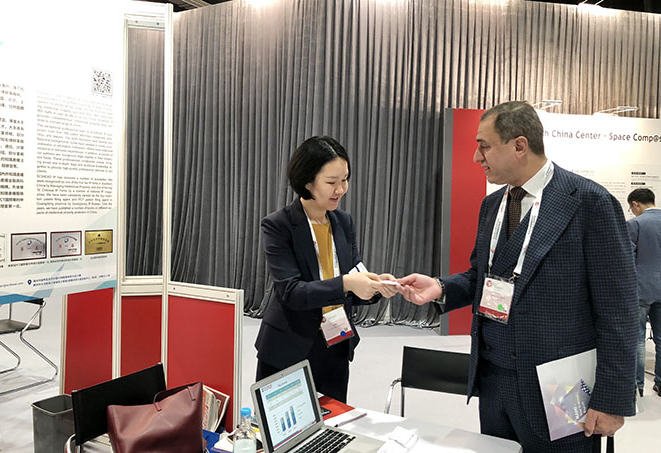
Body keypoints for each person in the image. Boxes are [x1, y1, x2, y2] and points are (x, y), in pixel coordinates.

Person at [397, 101, 637, 452]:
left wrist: (612, 400)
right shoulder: (492, 205)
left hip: (561, 384)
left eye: (484, 146)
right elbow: (482, 277)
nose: (477, 157)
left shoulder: (589, 203)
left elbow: (619, 310)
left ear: (519, 145)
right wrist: (440, 287)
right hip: (494, 380)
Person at [255, 136, 397, 403]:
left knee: (334, 422)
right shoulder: (278, 225)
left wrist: (374, 286)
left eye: (345, 179)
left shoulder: (343, 222)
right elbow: (292, 292)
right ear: (307, 181)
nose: (340, 189)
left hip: (336, 343)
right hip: (289, 347)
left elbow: (352, 279)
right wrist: (347, 283)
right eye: (331, 182)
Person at [627, 188, 661, 398]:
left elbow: (627, 259)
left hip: (640, 289)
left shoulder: (635, 224)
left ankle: (637, 386)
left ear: (636, 203)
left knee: (638, 339)